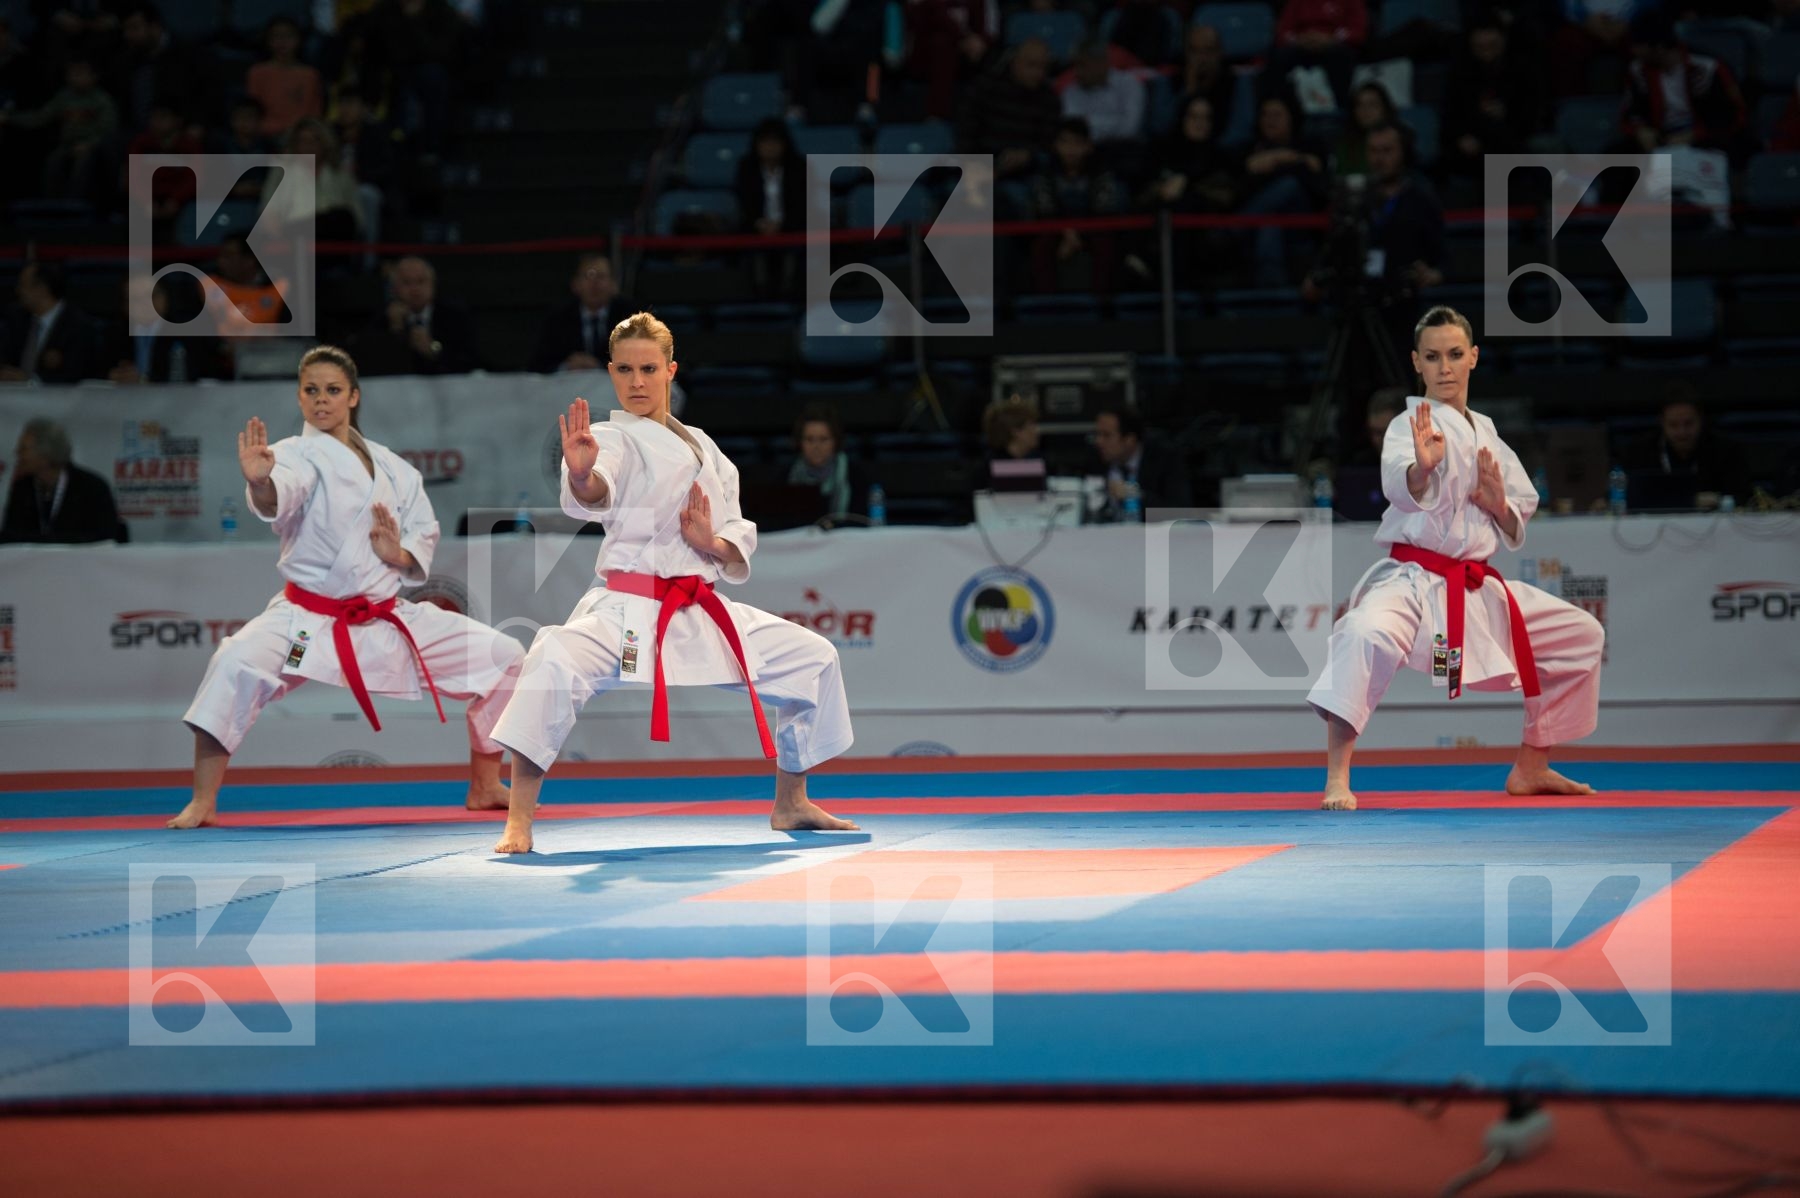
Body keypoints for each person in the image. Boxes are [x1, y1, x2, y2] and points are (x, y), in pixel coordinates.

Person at [489, 313, 859, 854]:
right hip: (630, 611)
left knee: (815, 658)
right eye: (624, 370)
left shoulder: (707, 448)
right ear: (611, 373)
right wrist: (581, 475)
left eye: (648, 368)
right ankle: (518, 821)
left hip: (700, 608)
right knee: (553, 658)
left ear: (670, 371)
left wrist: (710, 543)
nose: (636, 382)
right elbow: (598, 489)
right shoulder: (612, 438)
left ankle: (791, 801)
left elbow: (736, 529)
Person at [169, 345, 524, 829]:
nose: (322, 400)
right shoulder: (293, 456)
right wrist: (260, 483)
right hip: (307, 620)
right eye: (311, 391)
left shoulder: (396, 469)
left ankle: (485, 786)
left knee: (505, 658)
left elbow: (423, 532)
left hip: (383, 616)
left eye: (333, 390)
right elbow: (281, 491)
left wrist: (396, 555)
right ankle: (203, 801)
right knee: (232, 663)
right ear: (299, 398)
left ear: (353, 396)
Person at [1306, 306, 1605, 811]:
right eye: (1432, 357)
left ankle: (1533, 764)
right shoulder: (1409, 423)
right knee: (1362, 633)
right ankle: (1337, 776)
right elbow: (1401, 486)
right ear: (1416, 363)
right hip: (1413, 580)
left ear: (1473, 358)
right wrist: (1422, 470)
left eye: (1454, 355)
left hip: (1473, 587)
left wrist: (1496, 505)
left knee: (1582, 635)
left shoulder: (1488, 434)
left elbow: (1517, 520)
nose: (1444, 367)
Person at [0, 417, 124, 543]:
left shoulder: (93, 488)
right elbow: (10, 536)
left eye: (23, 449)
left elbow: (104, 538)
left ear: (46, 454)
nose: (17, 453)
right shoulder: (22, 488)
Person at [1624, 384, 1752, 504]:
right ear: (1662, 422)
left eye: (1689, 423)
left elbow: (1743, 496)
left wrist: (1718, 499)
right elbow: (1626, 497)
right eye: (1673, 425)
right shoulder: (1639, 453)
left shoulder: (1727, 451)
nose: (1682, 432)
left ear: (1701, 420)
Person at [358, 256, 480, 375]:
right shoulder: (382, 317)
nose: (415, 289)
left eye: (421, 281)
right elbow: (370, 363)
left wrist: (432, 349)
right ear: (394, 289)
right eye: (406, 282)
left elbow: (468, 360)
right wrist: (396, 329)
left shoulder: (455, 316)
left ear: (433, 284)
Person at [530, 254, 637, 374]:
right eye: (588, 276)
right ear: (575, 284)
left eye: (601, 276)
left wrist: (599, 365)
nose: (594, 284)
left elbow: (642, 360)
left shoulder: (632, 318)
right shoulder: (557, 319)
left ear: (614, 285)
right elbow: (537, 365)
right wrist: (566, 367)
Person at [0, 261, 103, 384]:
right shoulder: (17, 320)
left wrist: (31, 381)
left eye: (23, 285)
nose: (18, 291)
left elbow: (75, 375)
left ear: (42, 289)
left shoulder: (79, 326)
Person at [1093, 402, 1192, 520]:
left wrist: (1134, 494)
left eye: (1106, 435)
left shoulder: (1164, 460)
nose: (1098, 441)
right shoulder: (1095, 459)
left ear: (1130, 440)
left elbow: (1181, 511)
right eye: (1098, 434)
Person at [788, 403, 869, 525]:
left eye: (823, 439)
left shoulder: (855, 476)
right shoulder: (787, 476)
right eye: (809, 439)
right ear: (800, 442)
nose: (816, 447)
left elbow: (862, 524)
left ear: (836, 442)